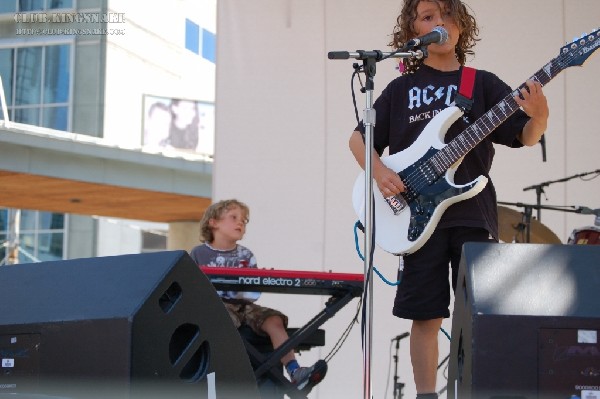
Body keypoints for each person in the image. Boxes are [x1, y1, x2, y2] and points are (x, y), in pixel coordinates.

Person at [348, 1, 548, 397]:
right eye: (428, 17)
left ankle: (477, 390)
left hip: (470, 212)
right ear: (413, 32)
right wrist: (382, 172)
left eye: (447, 14)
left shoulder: (481, 83)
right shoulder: (400, 89)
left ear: (461, 26)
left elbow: (523, 136)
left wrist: (538, 116)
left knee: (478, 313)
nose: (439, 22)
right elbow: (359, 139)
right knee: (424, 313)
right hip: (415, 216)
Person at [189, 199, 327, 393]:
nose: (240, 223)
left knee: (274, 321)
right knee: (220, 322)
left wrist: (257, 279)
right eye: (234, 218)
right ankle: (223, 380)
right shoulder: (199, 253)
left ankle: (295, 371)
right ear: (213, 222)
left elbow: (252, 294)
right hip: (218, 306)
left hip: (245, 305)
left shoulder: (246, 254)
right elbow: (194, 287)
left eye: (244, 221)